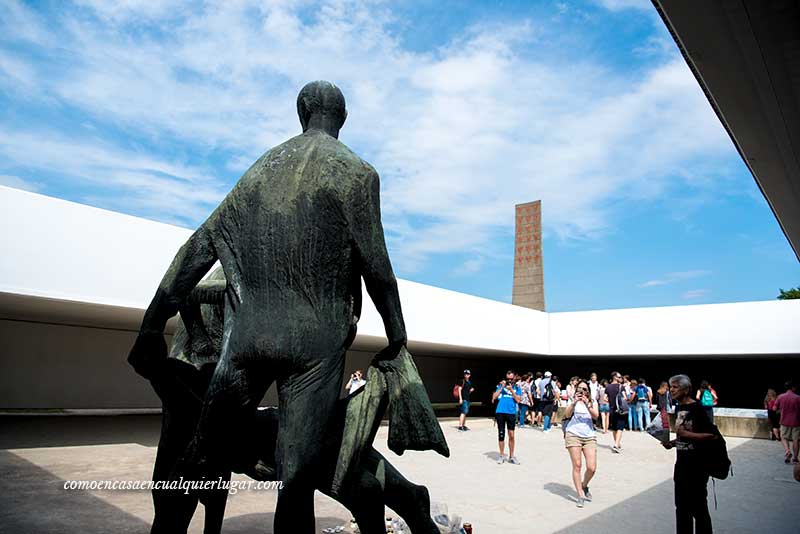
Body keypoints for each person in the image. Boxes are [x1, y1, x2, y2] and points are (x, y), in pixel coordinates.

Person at [128, 81, 410, 534]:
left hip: (247, 340)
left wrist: (151, 324)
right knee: (295, 479)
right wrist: (396, 332)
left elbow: (197, 248)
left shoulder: (259, 172)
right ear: (341, 118)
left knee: (200, 456)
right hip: (314, 350)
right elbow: (377, 264)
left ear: (301, 113)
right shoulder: (358, 173)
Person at [663, 374, 716, 534]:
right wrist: (672, 443)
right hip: (681, 466)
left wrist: (687, 436)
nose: (671, 390)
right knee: (681, 508)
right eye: (670, 386)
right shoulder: (679, 408)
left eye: (675, 386)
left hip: (697, 468)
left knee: (698, 509)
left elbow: (711, 435)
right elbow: (682, 434)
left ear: (686, 389)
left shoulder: (698, 409)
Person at [563, 380, 599, 508]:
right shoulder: (573, 400)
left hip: (589, 435)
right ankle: (580, 495)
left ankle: (584, 485)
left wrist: (587, 404)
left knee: (592, 467)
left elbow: (596, 416)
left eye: (584, 389)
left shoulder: (593, 401)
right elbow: (566, 415)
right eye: (579, 389)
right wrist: (574, 402)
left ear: (588, 391)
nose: (582, 391)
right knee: (577, 465)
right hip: (573, 434)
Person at [493, 370, 522, 464]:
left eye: (511, 379)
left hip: (511, 413)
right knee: (501, 434)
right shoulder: (500, 386)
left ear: (514, 379)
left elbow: (518, 400)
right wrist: (502, 387)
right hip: (500, 412)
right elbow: (494, 397)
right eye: (507, 379)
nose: (509, 381)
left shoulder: (517, 388)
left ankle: (511, 456)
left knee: (512, 435)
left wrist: (512, 390)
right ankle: (501, 455)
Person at [774, 380, 800, 464]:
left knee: (784, 437)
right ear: (793, 388)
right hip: (796, 422)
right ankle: (795, 458)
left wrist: (781, 410)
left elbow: (774, 408)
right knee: (796, 440)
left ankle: (788, 451)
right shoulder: (797, 398)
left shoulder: (780, 397)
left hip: (784, 421)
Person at [605, 372, 626, 453]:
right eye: (619, 376)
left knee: (614, 428)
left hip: (612, 409)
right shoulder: (621, 387)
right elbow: (624, 397)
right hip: (620, 410)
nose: (620, 378)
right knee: (620, 428)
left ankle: (617, 443)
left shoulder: (608, 387)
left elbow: (604, 398)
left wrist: (611, 401)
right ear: (615, 377)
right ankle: (616, 445)